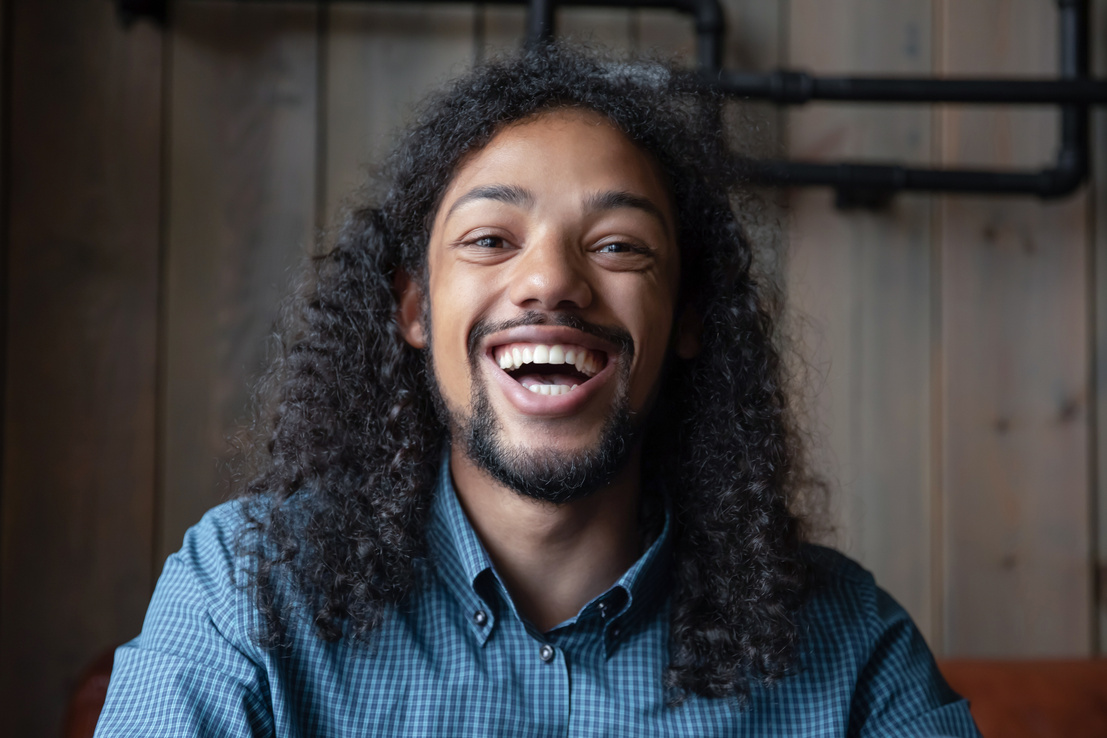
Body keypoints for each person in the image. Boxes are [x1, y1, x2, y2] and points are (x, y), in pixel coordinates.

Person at [95, 44, 980, 737]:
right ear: (414, 307)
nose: (550, 280)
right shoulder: (246, 592)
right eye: (489, 239)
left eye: (618, 246)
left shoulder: (848, 647)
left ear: (686, 320)